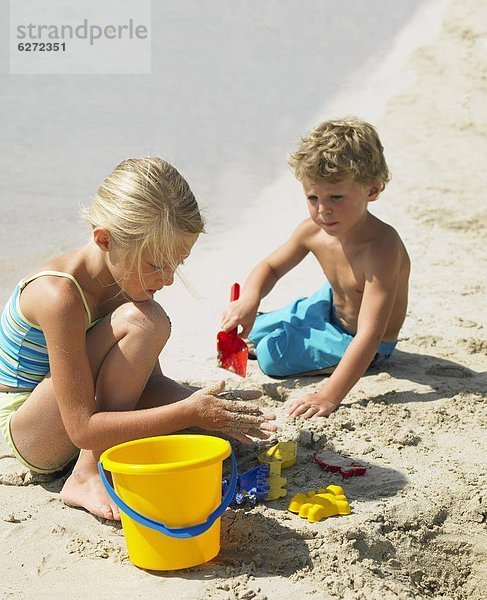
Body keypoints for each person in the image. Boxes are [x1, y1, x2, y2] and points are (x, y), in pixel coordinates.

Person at [0, 157, 276, 520]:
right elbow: (82, 429)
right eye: (156, 264)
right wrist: (187, 411)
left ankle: (98, 463)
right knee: (146, 323)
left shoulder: (127, 276)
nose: (168, 279)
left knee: (211, 435)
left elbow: (150, 383)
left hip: (76, 418)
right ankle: (84, 476)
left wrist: (207, 405)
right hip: (29, 436)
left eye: (176, 264)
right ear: (104, 239)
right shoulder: (59, 296)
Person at [221, 117, 410, 419]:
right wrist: (249, 299)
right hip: (329, 304)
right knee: (249, 325)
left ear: (372, 191)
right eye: (313, 197)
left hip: (360, 337)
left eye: (336, 196)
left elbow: (370, 334)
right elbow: (270, 267)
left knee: (270, 358)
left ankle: (302, 344)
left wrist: (329, 395)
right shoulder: (313, 231)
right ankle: (287, 328)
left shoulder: (381, 249)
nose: (323, 209)